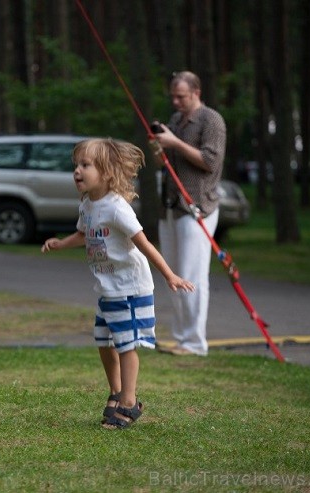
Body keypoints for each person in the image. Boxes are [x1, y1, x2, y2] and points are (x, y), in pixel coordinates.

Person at [41, 138, 194, 429]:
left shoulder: (116, 208)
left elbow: (144, 243)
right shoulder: (87, 205)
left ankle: (129, 401)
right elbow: (84, 234)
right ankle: (115, 390)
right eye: (76, 165)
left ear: (107, 173)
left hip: (131, 286)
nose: (77, 170)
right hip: (108, 288)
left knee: (127, 344)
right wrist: (61, 244)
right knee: (103, 341)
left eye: (85, 165)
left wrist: (169, 275)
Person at [152, 71, 226, 356]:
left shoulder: (212, 120)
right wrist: (162, 149)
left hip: (198, 207)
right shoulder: (174, 121)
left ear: (196, 92)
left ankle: (195, 342)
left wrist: (176, 144)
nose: (175, 101)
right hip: (171, 205)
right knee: (173, 273)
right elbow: (171, 161)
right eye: (172, 96)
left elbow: (209, 161)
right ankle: (182, 338)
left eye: (180, 96)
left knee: (193, 275)